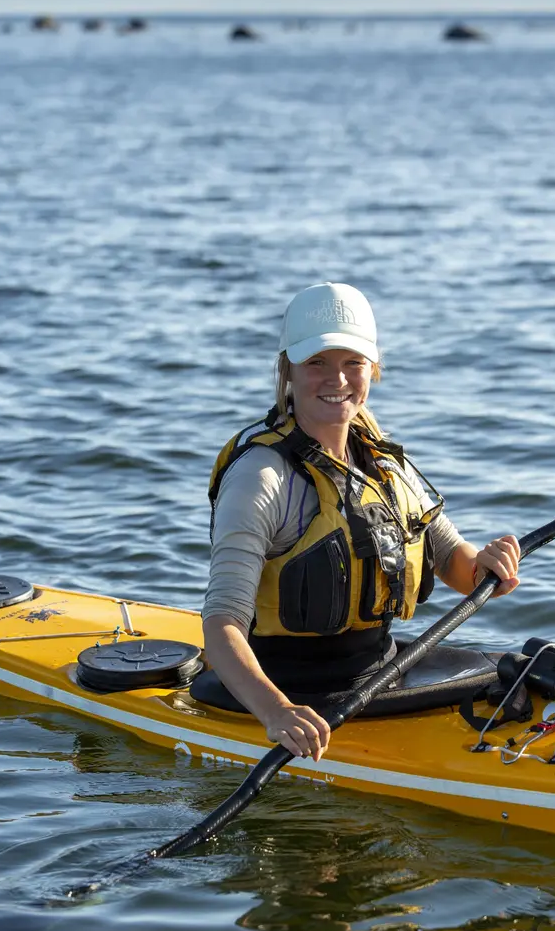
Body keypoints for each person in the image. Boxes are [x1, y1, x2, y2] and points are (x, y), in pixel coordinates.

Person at [202, 282, 520, 762]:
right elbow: (221, 625)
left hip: (381, 675)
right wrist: (277, 713)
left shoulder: (381, 458)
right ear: (288, 369)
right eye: (317, 363)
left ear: (373, 367)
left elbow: (457, 565)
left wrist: (490, 568)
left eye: (353, 362)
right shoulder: (260, 478)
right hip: (286, 691)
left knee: (526, 671)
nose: (337, 379)